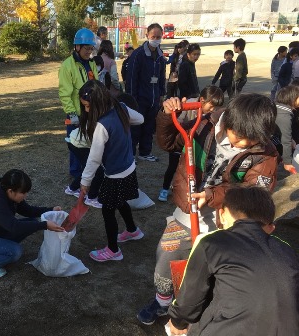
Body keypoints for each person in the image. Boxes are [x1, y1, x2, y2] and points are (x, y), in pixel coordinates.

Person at [137, 93, 279, 326]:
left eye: (251, 140)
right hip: (187, 211)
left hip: (227, 219)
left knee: (209, 270)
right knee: (167, 254)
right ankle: (163, 301)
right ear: (229, 122)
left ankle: (201, 310)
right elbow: (168, 142)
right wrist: (166, 115)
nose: (243, 144)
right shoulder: (203, 126)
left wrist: (214, 195)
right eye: (239, 136)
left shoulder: (266, 154)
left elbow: (256, 192)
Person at [168, 186, 299, 336]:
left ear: (222, 214)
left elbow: (190, 299)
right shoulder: (287, 250)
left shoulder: (213, 242)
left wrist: (177, 321)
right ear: (271, 228)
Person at [78, 80, 144, 262]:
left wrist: (85, 182)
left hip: (115, 174)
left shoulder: (102, 125)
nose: (86, 111)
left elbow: (94, 158)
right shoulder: (120, 107)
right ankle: (132, 230)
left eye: (88, 106)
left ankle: (113, 250)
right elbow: (140, 119)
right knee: (120, 200)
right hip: (129, 167)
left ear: (98, 103)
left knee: (108, 210)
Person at [0, 169, 65, 277]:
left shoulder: (10, 197)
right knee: (15, 251)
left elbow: (28, 211)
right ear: (10, 191)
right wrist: (45, 225)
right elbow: (15, 227)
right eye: (23, 193)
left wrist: (51, 209)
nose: (25, 195)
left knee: (32, 222)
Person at [158, 86, 224, 202]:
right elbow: (175, 128)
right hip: (182, 138)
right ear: (202, 100)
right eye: (211, 106)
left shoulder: (212, 117)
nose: (213, 110)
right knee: (173, 166)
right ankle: (165, 188)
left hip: (195, 144)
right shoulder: (187, 105)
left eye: (217, 107)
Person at [58, 28, 98, 179]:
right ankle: (76, 174)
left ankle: (88, 173)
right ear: (77, 47)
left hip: (91, 111)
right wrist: (72, 113)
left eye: (91, 48)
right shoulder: (67, 66)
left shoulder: (91, 63)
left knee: (90, 144)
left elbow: (96, 85)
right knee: (75, 145)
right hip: (76, 114)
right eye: (87, 48)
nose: (89, 51)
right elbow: (64, 92)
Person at [126, 23, 166, 162]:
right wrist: (132, 99)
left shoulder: (160, 56)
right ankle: (130, 154)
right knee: (135, 126)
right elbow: (131, 78)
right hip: (139, 98)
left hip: (154, 98)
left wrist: (162, 94)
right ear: (147, 35)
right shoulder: (138, 55)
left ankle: (145, 152)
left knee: (149, 127)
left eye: (158, 37)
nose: (156, 39)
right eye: (153, 36)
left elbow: (162, 76)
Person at [273, 85, 299, 174]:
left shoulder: (277, 107)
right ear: (293, 97)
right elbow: (285, 141)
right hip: (270, 140)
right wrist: (287, 162)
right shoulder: (285, 116)